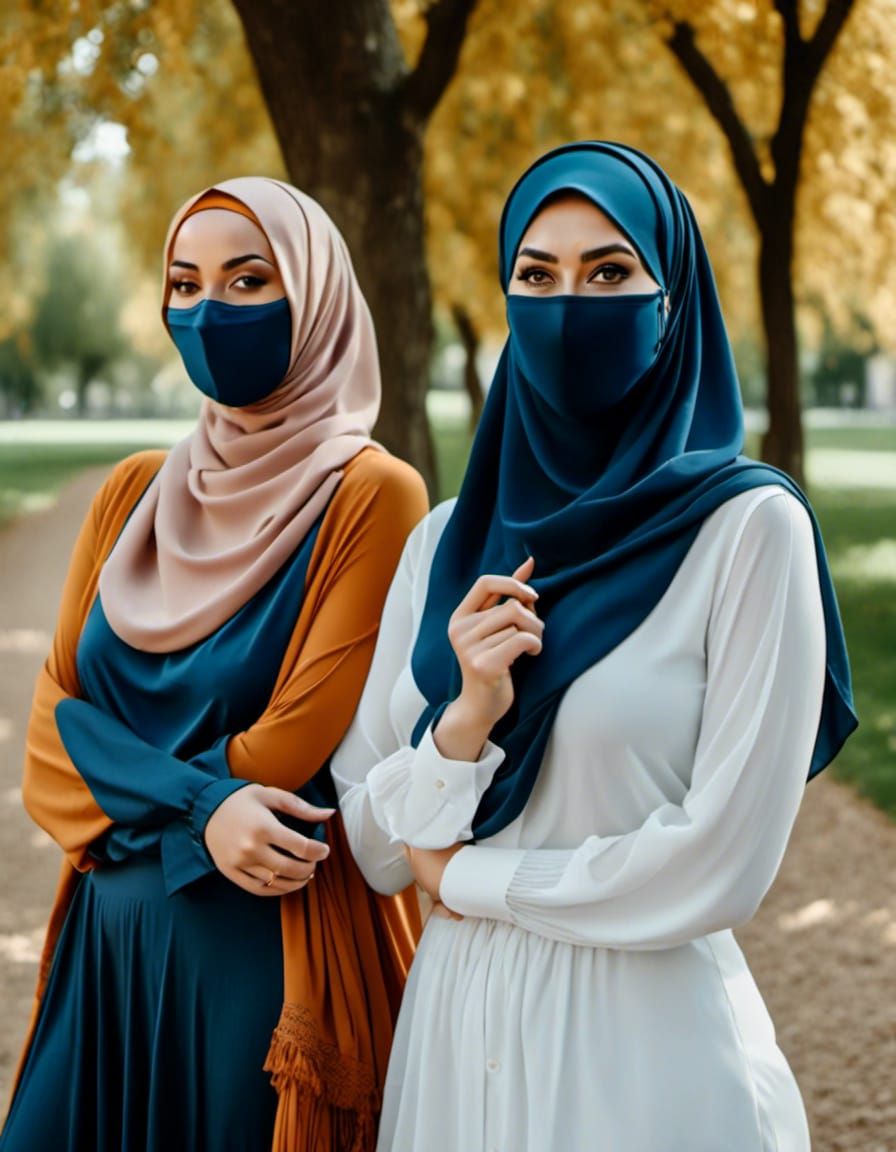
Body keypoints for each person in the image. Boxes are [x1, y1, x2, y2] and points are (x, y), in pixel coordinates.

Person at [330, 142, 858, 1152]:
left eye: (609, 272)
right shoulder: (443, 543)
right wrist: (459, 723)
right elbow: (369, 845)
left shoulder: (747, 533)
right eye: (536, 276)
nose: (569, 304)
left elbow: (723, 863)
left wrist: (472, 879)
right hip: (450, 1045)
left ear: (672, 303)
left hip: (641, 1056)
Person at [1, 178, 428, 1152]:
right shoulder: (130, 494)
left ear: (315, 299)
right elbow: (45, 741)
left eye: (246, 281)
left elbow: (287, 750)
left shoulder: (371, 495)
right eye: (183, 284)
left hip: (259, 957)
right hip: (106, 948)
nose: (206, 311)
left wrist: (119, 776)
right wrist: (201, 808)